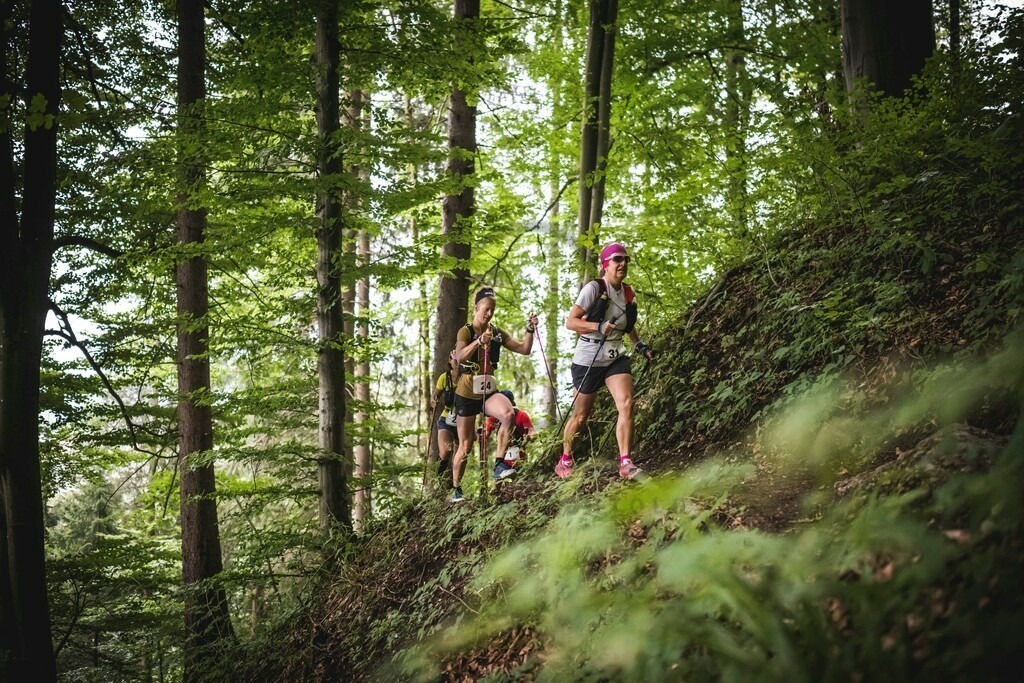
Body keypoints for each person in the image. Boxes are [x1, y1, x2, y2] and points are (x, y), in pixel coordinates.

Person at [555, 242, 655, 480]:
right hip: (588, 358)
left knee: (627, 403)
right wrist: (597, 326)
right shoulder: (594, 288)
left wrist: (639, 345)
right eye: (617, 260)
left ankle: (625, 462)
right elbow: (571, 322)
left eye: (625, 260)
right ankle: (565, 458)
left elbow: (627, 325)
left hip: (614, 358)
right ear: (605, 265)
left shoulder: (628, 292)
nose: (623, 264)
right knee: (581, 417)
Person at [450, 287, 539, 502]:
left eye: (492, 310)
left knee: (508, 414)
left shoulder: (496, 332)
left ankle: (499, 464)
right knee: (466, 445)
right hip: (467, 393)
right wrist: (479, 342)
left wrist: (530, 330)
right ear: (477, 307)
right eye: (486, 309)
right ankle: (456, 489)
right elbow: (460, 357)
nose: (489, 314)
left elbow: (524, 350)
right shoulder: (466, 331)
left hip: (488, 390)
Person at [483, 389, 536, 481]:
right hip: (502, 454)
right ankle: (496, 490)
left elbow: (532, 431)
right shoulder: (493, 418)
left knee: (520, 479)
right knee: (498, 479)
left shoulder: (521, 415)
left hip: (519, 454)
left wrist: (531, 436)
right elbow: (485, 436)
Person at [430, 348, 460, 481]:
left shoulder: (467, 378)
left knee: (459, 454)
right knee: (446, 451)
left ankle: (455, 482)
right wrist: (434, 401)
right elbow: (434, 396)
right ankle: (439, 476)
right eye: (455, 358)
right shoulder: (445, 377)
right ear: (450, 361)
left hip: (463, 420)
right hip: (446, 418)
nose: (457, 362)